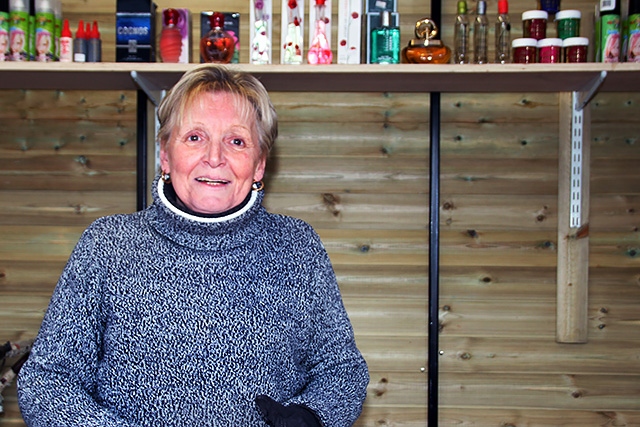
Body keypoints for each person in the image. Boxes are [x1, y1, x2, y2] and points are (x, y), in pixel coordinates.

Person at [18, 65, 369, 426]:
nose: (214, 158)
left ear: (260, 164)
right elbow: (46, 381)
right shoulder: (107, 245)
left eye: (236, 141)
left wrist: (313, 416)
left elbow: (341, 368)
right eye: (195, 137)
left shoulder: (297, 246)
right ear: (165, 155)